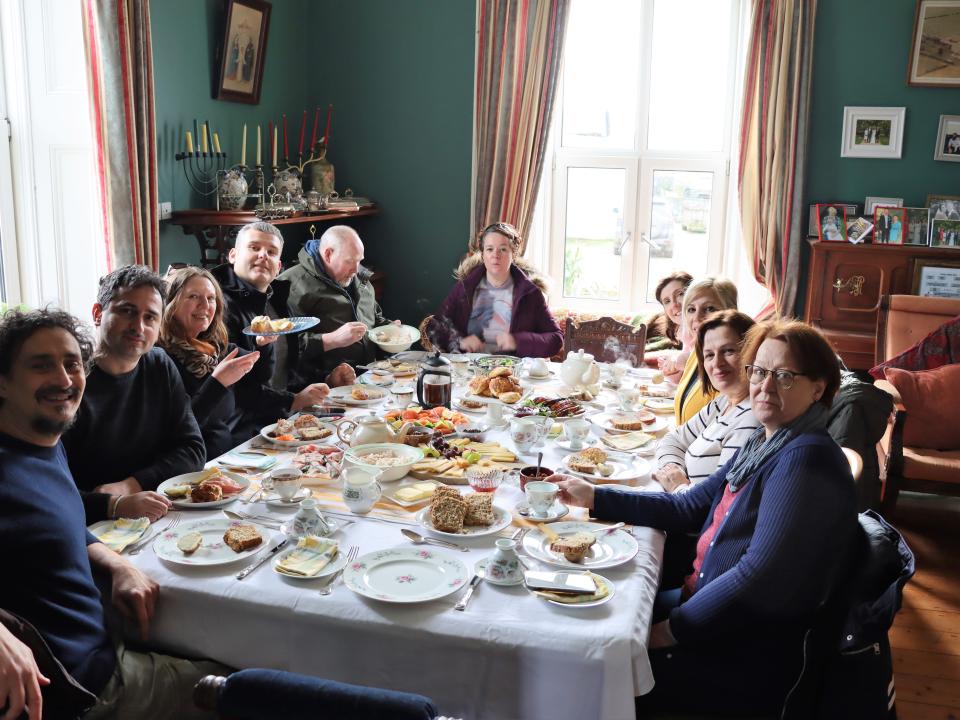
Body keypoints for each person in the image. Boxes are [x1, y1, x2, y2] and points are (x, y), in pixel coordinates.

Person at [553, 319, 857, 716]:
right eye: (760, 371)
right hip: (705, 604)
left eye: (783, 376)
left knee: (586, 664)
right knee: (586, 614)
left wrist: (671, 630)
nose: (764, 386)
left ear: (818, 388)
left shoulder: (803, 459)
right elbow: (688, 506)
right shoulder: (765, 442)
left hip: (744, 650)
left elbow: (758, 576)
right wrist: (594, 495)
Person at [0, 308, 227, 720]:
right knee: (254, 686)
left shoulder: (46, 443)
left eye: (72, 364)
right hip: (85, 686)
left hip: (108, 636)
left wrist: (116, 561)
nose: (64, 380)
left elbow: (57, 521)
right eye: (41, 366)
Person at [62, 265, 205, 524]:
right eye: (127, 311)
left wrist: (131, 485)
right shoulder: (67, 382)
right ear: (98, 313)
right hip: (87, 524)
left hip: (152, 509)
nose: (138, 326)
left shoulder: (159, 365)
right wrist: (113, 505)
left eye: (150, 317)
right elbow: (51, 489)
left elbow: (193, 449)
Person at [211, 222, 336, 436]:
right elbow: (237, 390)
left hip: (281, 417)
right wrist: (293, 401)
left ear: (279, 267)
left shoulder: (277, 299)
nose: (263, 255)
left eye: (271, 252)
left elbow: (289, 368)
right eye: (254, 248)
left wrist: (327, 379)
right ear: (232, 255)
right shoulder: (217, 306)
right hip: (240, 428)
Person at [159, 267, 273, 459]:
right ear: (171, 303)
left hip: (227, 459)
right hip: (188, 469)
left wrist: (263, 344)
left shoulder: (215, 348)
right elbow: (180, 428)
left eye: (211, 298)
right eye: (193, 296)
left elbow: (260, 376)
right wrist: (218, 383)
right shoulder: (160, 358)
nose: (204, 305)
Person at [654, 310, 760, 492]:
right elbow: (672, 440)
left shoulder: (751, 419)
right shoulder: (724, 402)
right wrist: (673, 470)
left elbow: (721, 502)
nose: (717, 363)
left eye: (728, 351)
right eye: (709, 355)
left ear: (753, 353)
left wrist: (679, 487)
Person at [423, 222, 563, 357]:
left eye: (503, 249)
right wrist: (460, 341)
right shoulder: (464, 288)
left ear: (513, 254)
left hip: (512, 373)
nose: (496, 255)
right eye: (489, 249)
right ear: (483, 254)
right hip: (469, 371)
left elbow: (556, 339)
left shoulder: (530, 293)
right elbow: (434, 328)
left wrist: (517, 341)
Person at [280, 225, 396, 384]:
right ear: (328, 254)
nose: (356, 269)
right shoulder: (290, 285)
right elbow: (284, 347)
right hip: (324, 387)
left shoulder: (358, 277)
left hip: (369, 379)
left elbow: (374, 318)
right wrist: (332, 339)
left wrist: (391, 331)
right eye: (349, 261)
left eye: (359, 261)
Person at [672, 277, 738, 425]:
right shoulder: (697, 352)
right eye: (691, 309)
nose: (697, 317)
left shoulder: (732, 366)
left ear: (731, 311)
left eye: (709, 308)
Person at [644, 271, 694, 382]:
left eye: (680, 294)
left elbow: (700, 360)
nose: (674, 304)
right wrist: (671, 370)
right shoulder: (684, 331)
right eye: (667, 301)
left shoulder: (708, 330)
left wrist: (677, 360)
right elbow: (685, 378)